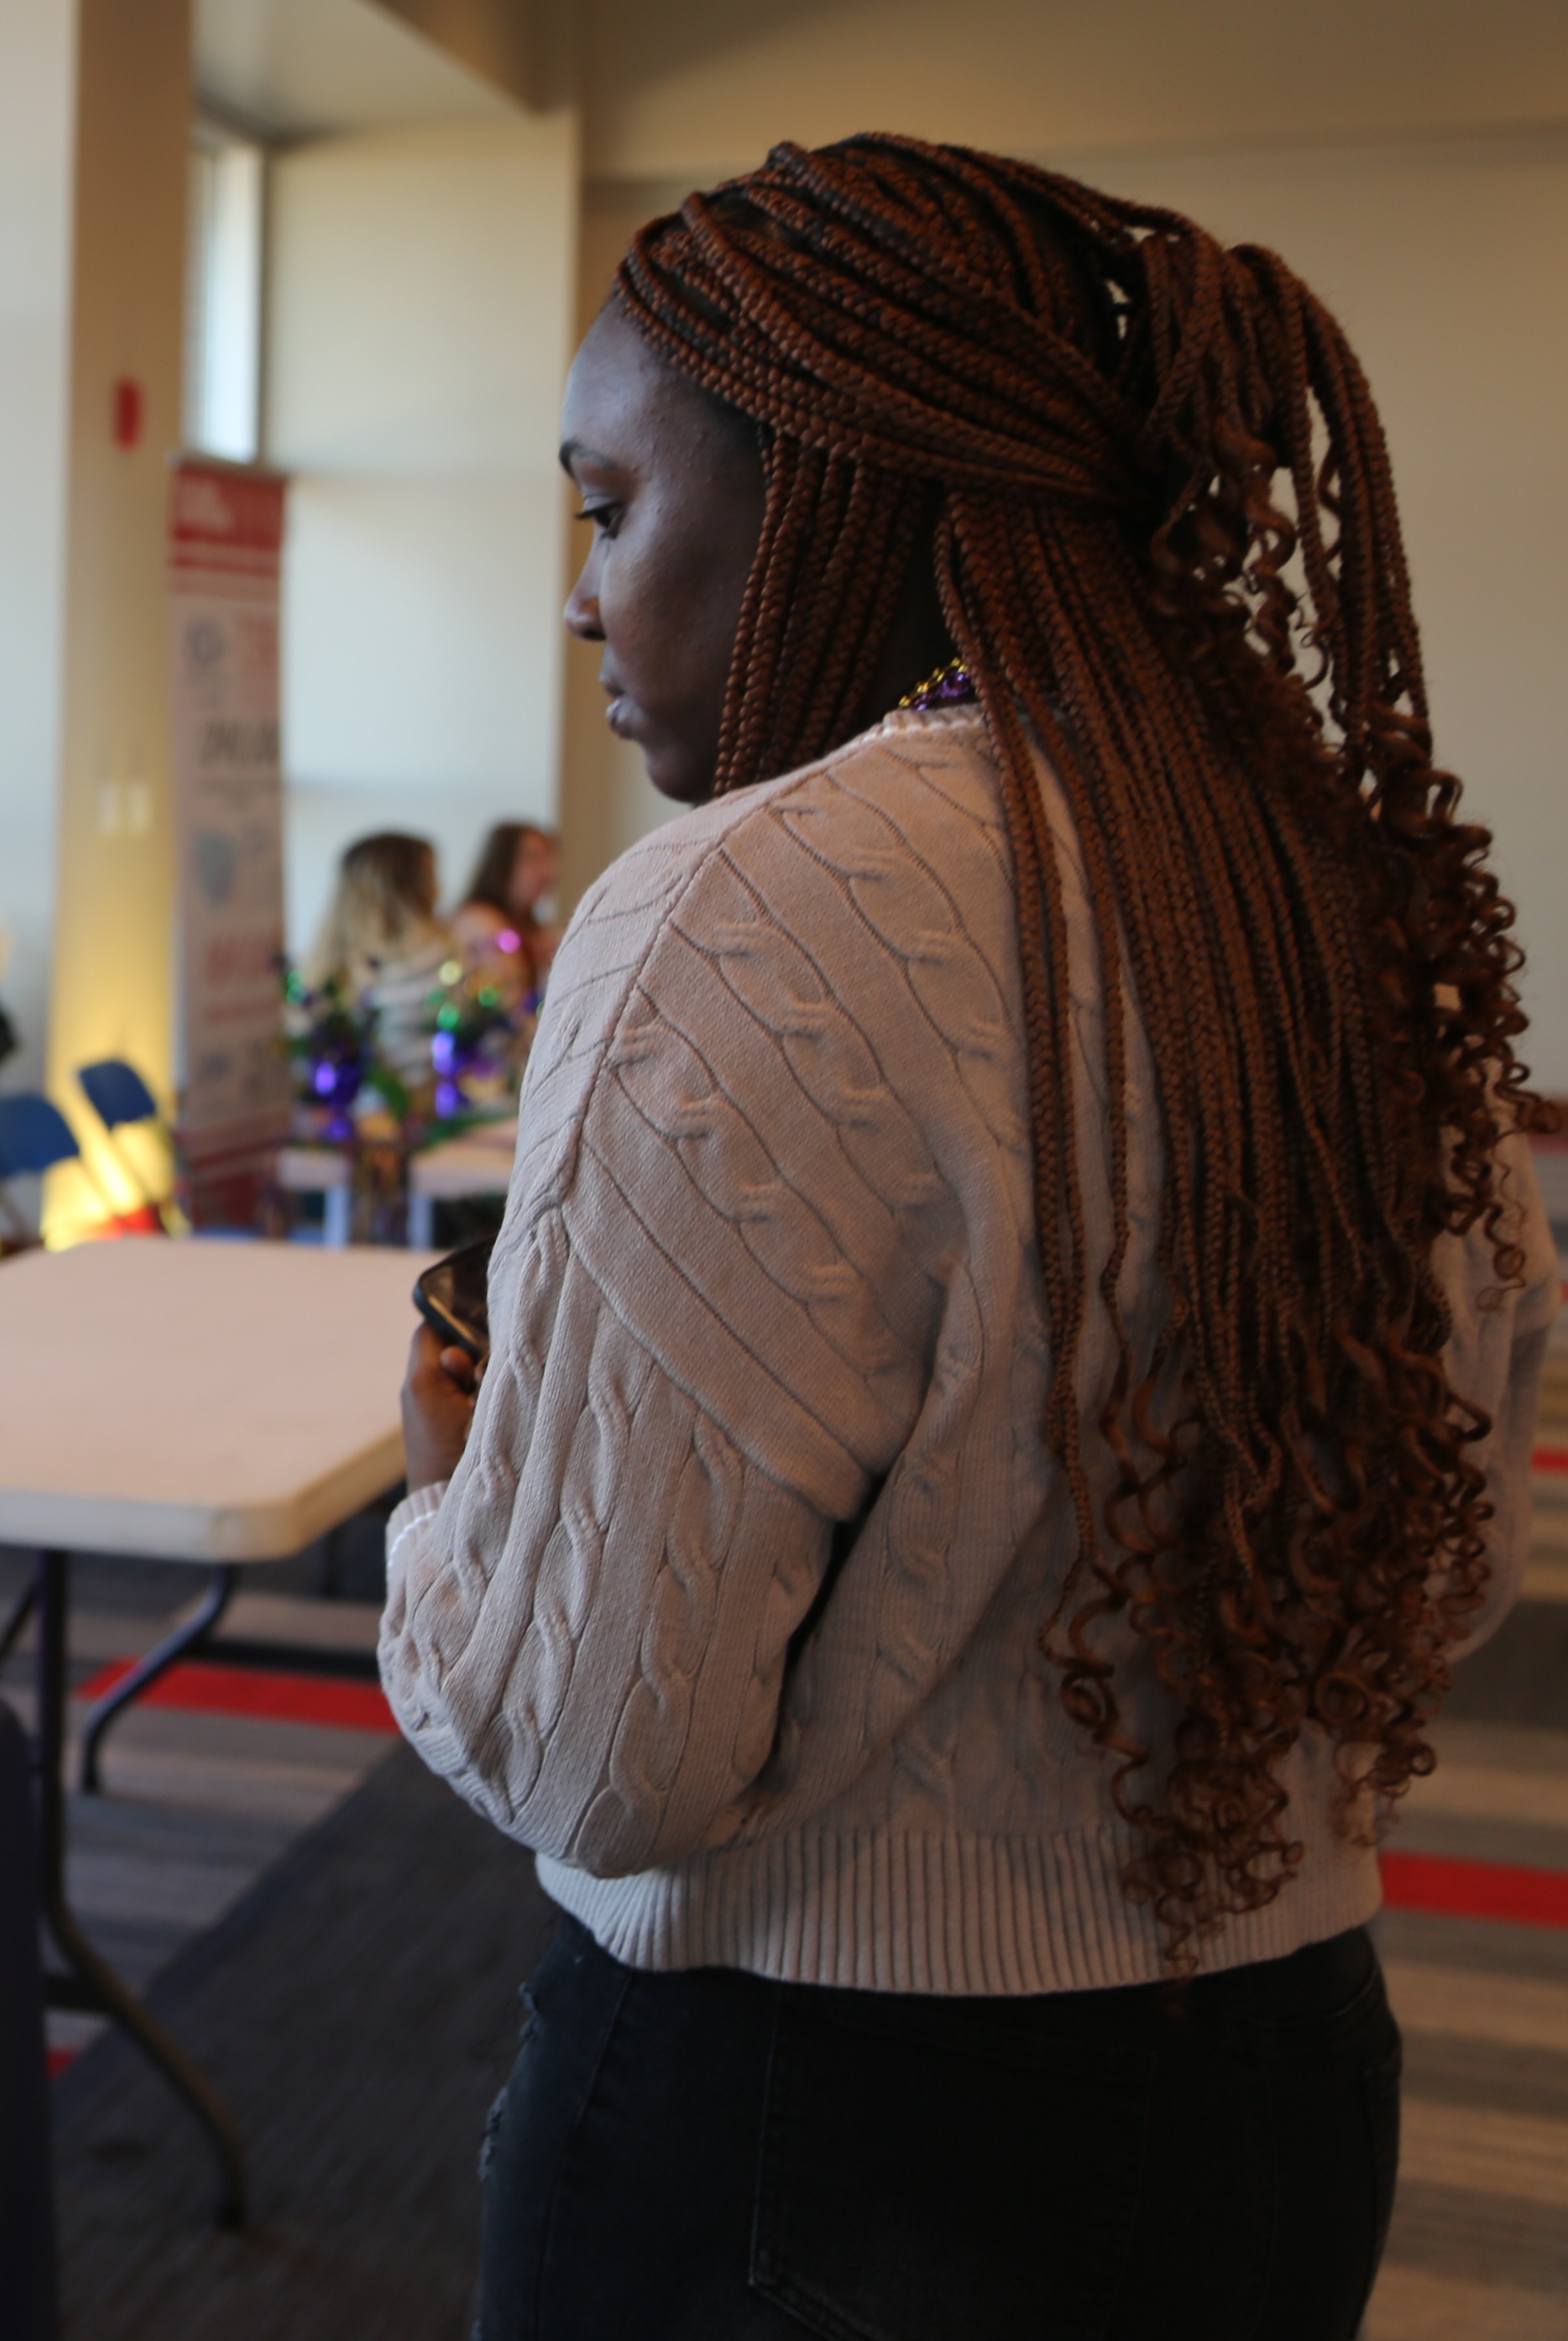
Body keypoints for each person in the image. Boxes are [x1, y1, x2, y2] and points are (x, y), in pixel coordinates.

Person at [386, 135, 1553, 2340]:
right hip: (1286, 2077)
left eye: (606, 505)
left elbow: (607, 1753)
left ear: (828, 483)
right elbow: (1446, 1568)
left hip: (816, 2144)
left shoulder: (740, 910)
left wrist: (452, 1497)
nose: (579, 592)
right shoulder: (1322, 886)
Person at [303, 829, 450, 1095]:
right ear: (409, 886)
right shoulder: (435, 958)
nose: (440, 888)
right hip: (424, 1116)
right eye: (431, 876)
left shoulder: (322, 968)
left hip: (348, 1121)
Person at [449, 820, 558, 995]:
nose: (548, 872)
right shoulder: (478, 920)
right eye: (533, 859)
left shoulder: (535, 930)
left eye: (548, 859)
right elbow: (511, 997)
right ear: (502, 864)